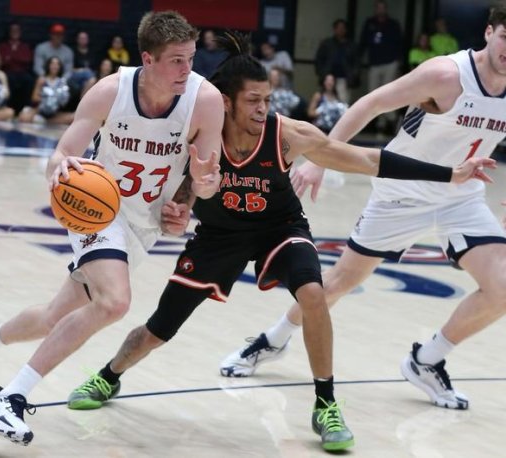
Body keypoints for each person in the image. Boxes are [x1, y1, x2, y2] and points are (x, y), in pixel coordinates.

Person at [64, 31, 491, 452]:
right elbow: (177, 190)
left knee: (314, 293)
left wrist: (449, 174)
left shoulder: (285, 133)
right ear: (225, 102)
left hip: (280, 229)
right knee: (160, 327)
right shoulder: (195, 132)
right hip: (219, 236)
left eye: (267, 99)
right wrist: (178, 209)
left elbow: (365, 158)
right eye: (253, 100)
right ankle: (109, 374)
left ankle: (326, 404)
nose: (263, 108)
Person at [0, 11, 224, 446]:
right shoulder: (110, 92)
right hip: (98, 208)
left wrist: (190, 199)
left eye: (191, 59)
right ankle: (10, 398)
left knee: (54, 317)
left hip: (144, 222)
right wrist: (60, 168)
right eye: (176, 61)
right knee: (115, 302)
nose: (187, 70)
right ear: (148, 59)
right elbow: (59, 157)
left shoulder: (205, 100)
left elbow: (204, 181)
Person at [222, 5, 506, 412]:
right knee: (337, 283)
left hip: (461, 196)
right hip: (402, 193)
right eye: (505, 38)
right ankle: (274, 339)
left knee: (502, 287)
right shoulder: (445, 74)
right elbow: (371, 104)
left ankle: (427, 360)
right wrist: (322, 157)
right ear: (489, 32)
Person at [359, 0, 403, 133]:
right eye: (378, 8)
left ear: (386, 9)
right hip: (374, 62)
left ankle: (386, 122)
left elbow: (400, 42)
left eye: (382, 8)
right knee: (373, 94)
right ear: (375, 9)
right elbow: (363, 42)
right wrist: (359, 61)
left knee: (387, 93)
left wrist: (399, 61)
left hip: (390, 62)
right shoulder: (370, 23)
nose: (380, 10)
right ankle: (387, 120)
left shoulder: (393, 24)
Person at [17, 56, 74, 124]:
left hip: (55, 111)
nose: (55, 66)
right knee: (24, 117)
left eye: (57, 64)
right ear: (48, 65)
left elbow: (65, 101)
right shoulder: (42, 79)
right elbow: (34, 98)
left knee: (72, 118)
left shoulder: (62, 82)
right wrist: (47, 99)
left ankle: (46, 121)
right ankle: (43, 120)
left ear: (60, 67)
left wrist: (57, 100)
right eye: (52, 64)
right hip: (41, 109)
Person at [314, 19, 360, 104]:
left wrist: (353, 75)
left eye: (343, 28)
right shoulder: (327, 43)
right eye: (339, 28)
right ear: (334, 29)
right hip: (329, 77)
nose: (341, 30)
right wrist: (322, 73)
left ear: (346, 30)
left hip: (345, 78)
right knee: (326, 102)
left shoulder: (351, 45)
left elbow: (356, 62)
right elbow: (319, 59)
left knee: (343, 102)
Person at [0, 22, 34, 113]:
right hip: (7, 72)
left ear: (20, 32)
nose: (15, 32)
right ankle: (6, 106)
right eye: (13, 30)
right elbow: (2, 61)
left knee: (28, 79)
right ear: (9, 32)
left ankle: (26, 107)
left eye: (17, 30)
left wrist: (11, 57)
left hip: (22, 72)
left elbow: (27, 59)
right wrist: (17, 58)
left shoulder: (25, 46)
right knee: (8, 79)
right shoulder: (3, 46)